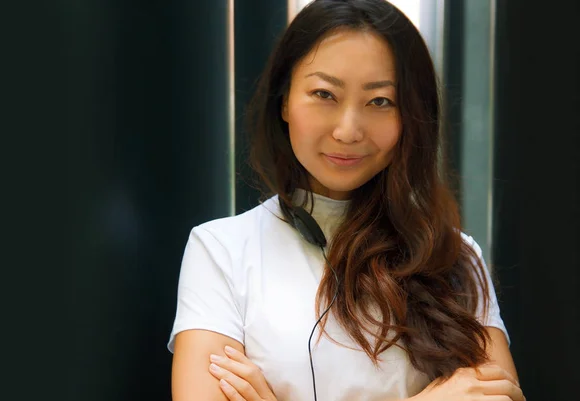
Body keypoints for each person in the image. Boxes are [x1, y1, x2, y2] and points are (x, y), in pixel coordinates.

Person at [168, 1, 525, 400]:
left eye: (380, 101)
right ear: (284, 100)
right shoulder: (221, 250)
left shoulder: (454, 257)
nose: (348, 130)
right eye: (325, 94)